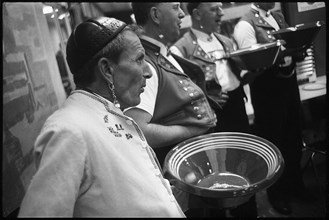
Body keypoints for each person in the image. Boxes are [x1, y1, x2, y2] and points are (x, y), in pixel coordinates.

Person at [18, 17, 186, 217]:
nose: (148, 72)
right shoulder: (69, 129)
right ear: (107, 69)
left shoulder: (109, 112)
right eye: (140, 59)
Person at [170, 3, 257, 217]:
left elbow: (239, 76)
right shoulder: (181, 49)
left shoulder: (226, 41)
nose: (221, 13)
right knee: (214, 172)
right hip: (210, 116)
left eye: (221, 8)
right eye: (214, 9)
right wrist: (207, 97)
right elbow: (182, 93)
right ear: (197, 14)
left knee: (244, 161)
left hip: (236, 106)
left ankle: (247, 212)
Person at [234, 2, 307, 215]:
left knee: (294, 139)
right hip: (268, 93)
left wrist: (298, 51)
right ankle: (277, 195)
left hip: (289, 86)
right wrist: (281, 54)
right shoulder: (245, 25)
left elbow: (289, 46)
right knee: (275, 145)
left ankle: (296, 187)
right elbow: (252, 65)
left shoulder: (278, 16)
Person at [126, 2, 218, 167]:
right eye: (176, 7)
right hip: (179, 172)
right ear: (155, 15)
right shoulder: (147, 64)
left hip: (188, 164)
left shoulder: (158, 53)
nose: (182, 14)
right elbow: (139, 129)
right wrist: (191, 130)